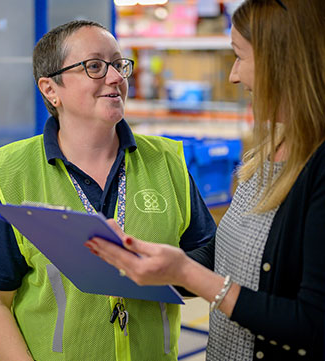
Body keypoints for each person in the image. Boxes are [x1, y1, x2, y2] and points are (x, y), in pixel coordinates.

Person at [0, 20, 216, 361]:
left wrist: (163, 271)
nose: (116, 78)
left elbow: (209, 257)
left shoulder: (166, 161)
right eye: (94, 66)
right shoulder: (15, 173)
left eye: (118, 64)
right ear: (51, 89)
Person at [86, 1, 325, 360]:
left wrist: (187, 273)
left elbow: (313, 325)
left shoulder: (318, 168)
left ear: (284, 62)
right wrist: (154, 263)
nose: (233, 75)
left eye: (240, 57)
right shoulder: (269, 152)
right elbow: (227, 252)